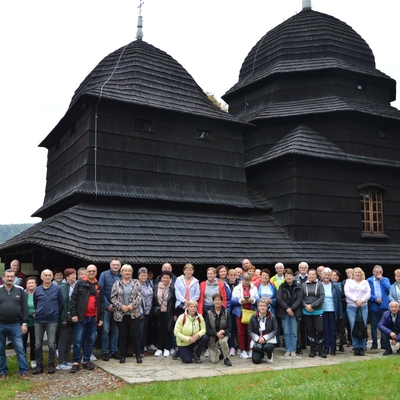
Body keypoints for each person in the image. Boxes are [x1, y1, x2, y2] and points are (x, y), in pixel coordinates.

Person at [69, 264, 104, 372]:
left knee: (90, 340)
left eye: (93, 271)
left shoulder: (99, 286)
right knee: (78, 340)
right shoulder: (80, 283)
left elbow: (102, 303)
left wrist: (101, 318)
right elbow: (73, 300)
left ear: (96, 272)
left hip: (93, 318)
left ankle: (86, 360)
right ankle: (76, 362)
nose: (91, 273)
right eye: (89, 271)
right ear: (86, 272)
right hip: (81, 317)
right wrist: (73, 314)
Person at [0, 269, 30, 380]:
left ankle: (24, 371)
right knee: (0, 349)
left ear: (14, 278)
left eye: (11, 277)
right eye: (7, 276)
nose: (9, 278)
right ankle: (2, 372)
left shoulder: (20, 290)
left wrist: (25, 323)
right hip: (1, 324)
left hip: (16, 324)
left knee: (20, 349)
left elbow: (24, 307)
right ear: (3, 278)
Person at [33, 269, 64, 374]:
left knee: (51, 344)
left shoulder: (57, 289)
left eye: (49, 275)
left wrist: (54, 312)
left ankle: (51, 364)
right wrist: (38, 312)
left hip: (52, 320)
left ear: (52, 277)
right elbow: (35, 303)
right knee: (37, 344)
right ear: (41, 277)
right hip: (38, 320)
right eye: (45, 275)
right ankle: (39, 365)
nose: (47, 277)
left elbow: (61, 304)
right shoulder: (37, 290)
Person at [110, 264, 142, 364]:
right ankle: (122, 356)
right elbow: (113, 297)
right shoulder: (117, 283)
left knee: (134, 335)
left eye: (129, 271)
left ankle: (138, 356)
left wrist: (132, 305)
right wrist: (121, 306)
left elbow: (139, 297)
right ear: (122, 272)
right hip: (121, 314)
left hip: (134, 313)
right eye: (125, 271)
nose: (127, 273)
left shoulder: (136, 283)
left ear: (131, 273)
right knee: (123, 335)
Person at [231, 273, 259, 359]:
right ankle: (242, 350)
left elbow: (258, 299)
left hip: (251, 312)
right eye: (245, 280)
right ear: (242, 280)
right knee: (241, 332)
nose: (246, 282)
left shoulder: (254, 288)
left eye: (248, 280)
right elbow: (233, 300)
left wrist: (253, 300)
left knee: (251, 331)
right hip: (240, 312)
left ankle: (250, 349)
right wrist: (241, 301)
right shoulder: (237, 288)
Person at [98, 259, 121, 362]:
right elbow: (100, 291)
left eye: (117, 265)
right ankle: (105, 352)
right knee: (106, 330)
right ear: (110, 265)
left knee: (116, 330)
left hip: (118, 308)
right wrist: (107, 305)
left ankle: (114, 351)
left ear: (120, 266)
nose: (115, 266)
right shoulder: (104, 274)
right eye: (114, 264)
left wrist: (118, 305)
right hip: (106, 307)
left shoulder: (122, 275)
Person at [276, 268, 303, 357]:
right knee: (286, 332)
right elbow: (279, 299)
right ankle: (288, 349)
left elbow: (299, 299)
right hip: (284, 312)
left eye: (290, 275)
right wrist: (287, 308)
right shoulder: (281, 286)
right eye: (286, 276)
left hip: (295, 312)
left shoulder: (298, 286)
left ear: (293, 276)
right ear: (284, 277)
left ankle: (293, 349)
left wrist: (292, 309)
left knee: (294, 332)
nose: (288, 277)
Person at [344, 267, 371, 356]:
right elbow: (347, 292)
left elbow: (368, 293)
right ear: (353, 274)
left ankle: (362, 347)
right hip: (352, 307)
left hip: (363, 307)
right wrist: (356, 300)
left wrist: (361, 301)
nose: (357, 274)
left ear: (361, 273)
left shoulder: (365, 282)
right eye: (355, 272)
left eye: (359, 272)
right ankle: (356, 347)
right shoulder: (349, 282)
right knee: (353, 327)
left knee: (362, 326)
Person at [301, 269, 325, 358]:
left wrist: (312, 306)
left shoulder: (320, 284)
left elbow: (322, 297)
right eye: (310, 274)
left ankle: (321, 348)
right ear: (308, 275)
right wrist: (306, 306)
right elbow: (301, 297)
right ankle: (312, 349)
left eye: (313, 274)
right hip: (307, 311)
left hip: (317, 310)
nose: (311, 276)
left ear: (316, 275)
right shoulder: (303, 285)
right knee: (310, 330)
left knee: (320, 330)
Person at [57, 268, 77, 370]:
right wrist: (64, 317)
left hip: (72, 316)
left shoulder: (74, 286)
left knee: (70, 339)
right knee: (64, 339)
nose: (75, 276)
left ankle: (67, 360)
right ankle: (61, 361)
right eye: (73, 275)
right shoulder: (62, 287)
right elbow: (62, 303)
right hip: (64, 317)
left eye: (75, 274)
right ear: (67, 276)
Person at [367, 265, 391, 350]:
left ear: (382, 272)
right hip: (374, 304)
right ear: (373, 272)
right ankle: (374, 343)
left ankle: (383, 343)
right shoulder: (368, 281)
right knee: (374, 325)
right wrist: (374, 298)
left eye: (380, 272)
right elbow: (367, 293)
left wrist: (382, 280)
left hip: (384, 306)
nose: (378, 274)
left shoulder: (386, 280)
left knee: (384, 325)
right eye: (376, 272)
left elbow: (389, 289)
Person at [153, 271, 176, 357]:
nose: (165, 279)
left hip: (169, 313)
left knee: (168, 331)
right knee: (159, 331)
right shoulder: (155, 287)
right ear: (161, 278)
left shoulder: (173, 288)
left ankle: (167, 348)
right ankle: (160, 348)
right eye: (164, 277)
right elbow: (153, 300)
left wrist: (175, 314)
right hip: (158, 313)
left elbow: (174, 301)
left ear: (170, 279)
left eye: (167, 278)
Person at [205, 293, 232, 366]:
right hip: (213, 337)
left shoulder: (226, 312)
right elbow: (207, 329)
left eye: (219, 300)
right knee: (214, 361)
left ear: (222, 301)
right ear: (213, 301)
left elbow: (229, 327)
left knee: (223, 341)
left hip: (223, 335)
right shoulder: (208, 313)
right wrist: (216, 333)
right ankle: (219, 352)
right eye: (215, 300)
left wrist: (224, 332)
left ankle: (226, 358)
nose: (217, 302)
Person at [321, 267, 343, 355]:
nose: (326, 276)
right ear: (322, 276)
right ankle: (326, 347)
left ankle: (333, 348)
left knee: (333, 330)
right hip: (322, 311)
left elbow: (339, 300)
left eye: (328, 275)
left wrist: (340, 313)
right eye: (325, 275)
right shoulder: (319, 285)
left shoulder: (335, 286)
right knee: (325, 330)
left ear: (330, 276)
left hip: (333, 311)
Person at [248, 298, 278, 364]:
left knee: (268, 347)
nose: (262, 307)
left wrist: (264, 338)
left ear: (267, 307)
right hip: (258, 340)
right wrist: (258, 339)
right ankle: (261, 354)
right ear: (258, 307)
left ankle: (269, 355)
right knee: (256, 361)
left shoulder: (272, 317)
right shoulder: (253, 317)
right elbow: (250, 331)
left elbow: (275, 330)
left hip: (268, 340)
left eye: (264, 306)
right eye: (260, 306)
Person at [138, 267, 153, 357]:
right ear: (138, 276)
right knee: (139, 331)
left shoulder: (148, 284)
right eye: (142, 275)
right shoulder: (136, 284)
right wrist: (140, 312)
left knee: (144, 331)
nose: (144, 277)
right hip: (141, 312)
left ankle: (142, 349)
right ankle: (137, 351)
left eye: (145, 275)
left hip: (148, 312)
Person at [294, 261, 309, 352]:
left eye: (305, 267)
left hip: (308, 305)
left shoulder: (311, 277)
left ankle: (305, 343)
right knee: (298, 326)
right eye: (301, 267)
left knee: (307, 325)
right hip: (297, 306)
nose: (303, 269)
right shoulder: (295, 278)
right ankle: (298, 344)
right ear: (299, 269)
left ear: (307, 269)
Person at [23, 276, 37, 369]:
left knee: (34, 342)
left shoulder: (39, 293)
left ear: (36, 284)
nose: (30, 284)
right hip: (24, 322)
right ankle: (23, 361)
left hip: (36, 322)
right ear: (26, 285)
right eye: (29, 283)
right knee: (23, 342)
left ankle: (33, 360)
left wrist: (37, 312)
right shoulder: (23, 294)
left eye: (32, 283)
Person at [225, 269, 239, 356]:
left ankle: (241, 347)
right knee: (231, 328)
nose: (233, 277)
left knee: (240, 329)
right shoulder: (225, 285)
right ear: (228, 276)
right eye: (231, 275)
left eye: (234, 275)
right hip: (229, 309)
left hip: (238, 309)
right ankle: (232, 347)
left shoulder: (240, 284)